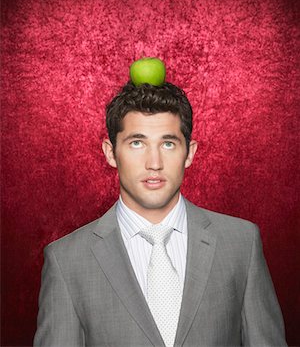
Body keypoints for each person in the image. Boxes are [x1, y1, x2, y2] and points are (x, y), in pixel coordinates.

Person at [34, 80, 287, 346]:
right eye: (136, 143)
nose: (154, 163)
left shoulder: (241, 243)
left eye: (168, 144)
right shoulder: (66, 260)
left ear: (189, 153)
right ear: (111, 153)